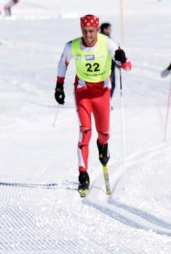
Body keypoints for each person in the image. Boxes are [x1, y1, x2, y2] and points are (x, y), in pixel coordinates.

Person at [54, 14, 131, 196]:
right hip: (83, 91)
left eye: (91, 31)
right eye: (85, 31)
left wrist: (123, 58)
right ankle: (83, 174)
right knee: (85, 130)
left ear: (97, 30)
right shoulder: (72, 46)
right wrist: (59, 86)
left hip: (102, 93)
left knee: (103, 133)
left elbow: (127, 67)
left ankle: (103, 146)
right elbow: (62, 63)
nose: (88, 36)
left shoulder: (107, 44)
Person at [99, 22, 117, 99]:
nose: (110, 30)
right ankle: (104, 102)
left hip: (111, 65)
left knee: (112, 84)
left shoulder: (108, 39)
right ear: (104, 29)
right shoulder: (101, 39)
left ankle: (108, 101)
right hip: (104, 66)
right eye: (109, 29)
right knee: (107, 85)